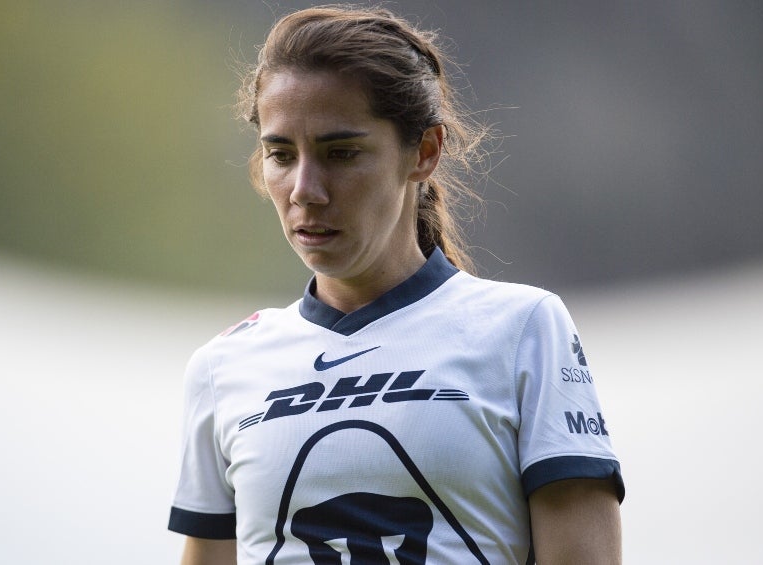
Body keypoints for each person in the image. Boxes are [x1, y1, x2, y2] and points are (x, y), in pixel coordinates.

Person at [168, 5, 623, 564]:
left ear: (425, 152)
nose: (304, 189)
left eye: (341, 153)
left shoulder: (524, 329)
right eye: (280, 155)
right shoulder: (222, 368)